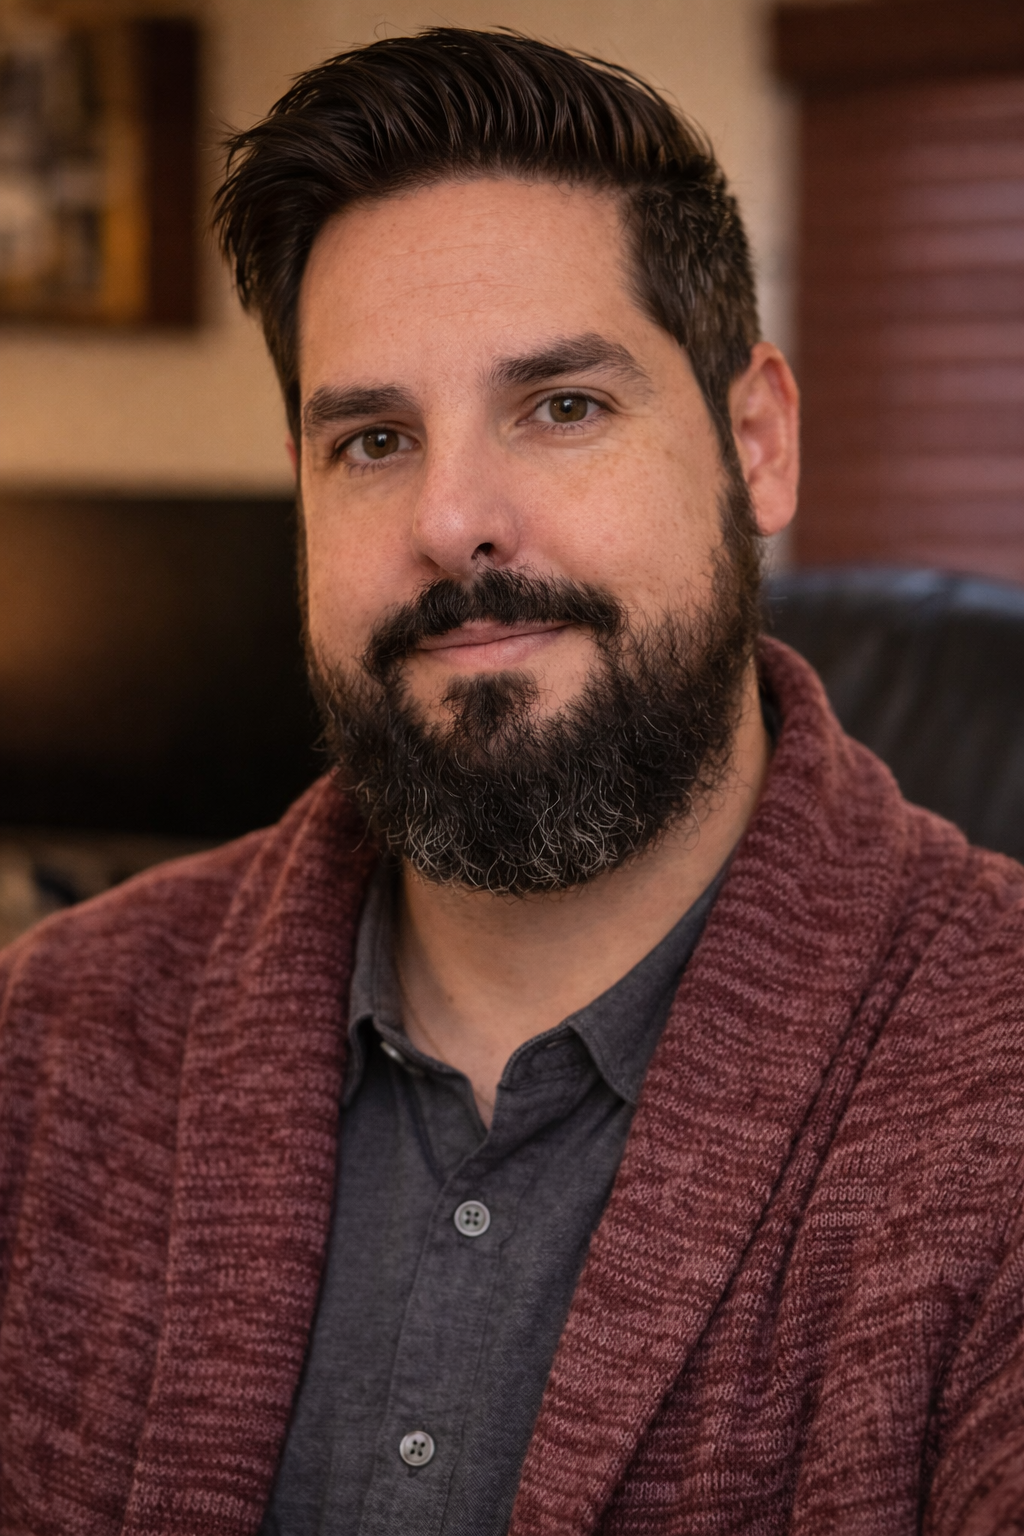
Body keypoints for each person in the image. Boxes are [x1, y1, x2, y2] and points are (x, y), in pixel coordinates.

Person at [1, 27, 1023, 1536]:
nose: (454, 519)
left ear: (759, 443)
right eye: (372, 439)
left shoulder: (998, 1091)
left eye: (561, 406)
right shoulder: (49, 1045)